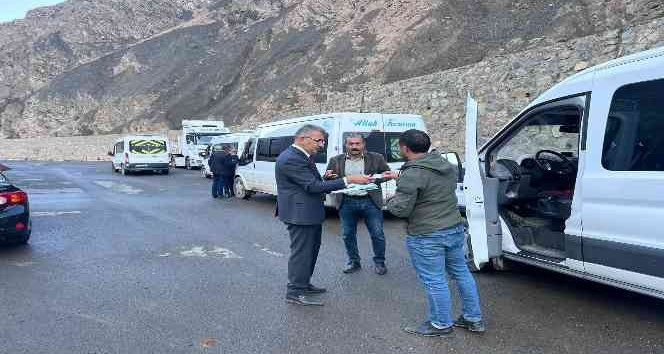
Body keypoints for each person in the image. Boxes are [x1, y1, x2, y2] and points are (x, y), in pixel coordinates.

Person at [385, 129, 485, 336]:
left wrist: (389, 199)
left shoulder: (412, 173)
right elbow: (427, 181)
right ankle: (472, 318)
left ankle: (440, 323)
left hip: (427, 234)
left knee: (434, 280)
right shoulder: (446, 165)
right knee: (461, 273)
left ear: (404, 148)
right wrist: (402, 176)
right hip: (454, 228)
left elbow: (401, 209)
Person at [275, 124, 370, 306]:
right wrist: (347, 179)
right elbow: (312, 187)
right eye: (318, 140)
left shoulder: (303, 156)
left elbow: (310, 182)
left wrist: (324, 179)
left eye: (323, 141)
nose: (321, 145)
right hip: (300, 214)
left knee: (311, 250)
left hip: (308, 212)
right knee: (302, 253)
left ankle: (303, 284)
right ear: (302, 138)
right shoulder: (291, 158)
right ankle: (294, 291)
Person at [325, 133, 391, 275]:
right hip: (346, 202)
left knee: (377, 234)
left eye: (357, 143)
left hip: (370, 201)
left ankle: (379, 262)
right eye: (351, 144)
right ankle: (354, 262)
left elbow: (387, 174)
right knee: (348, 234)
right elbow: (328, 179)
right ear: (346, 145)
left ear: (363, 144)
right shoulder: (335, 160)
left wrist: (374, 180)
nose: (354, 146)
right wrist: (328, 177)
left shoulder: (376, 158)